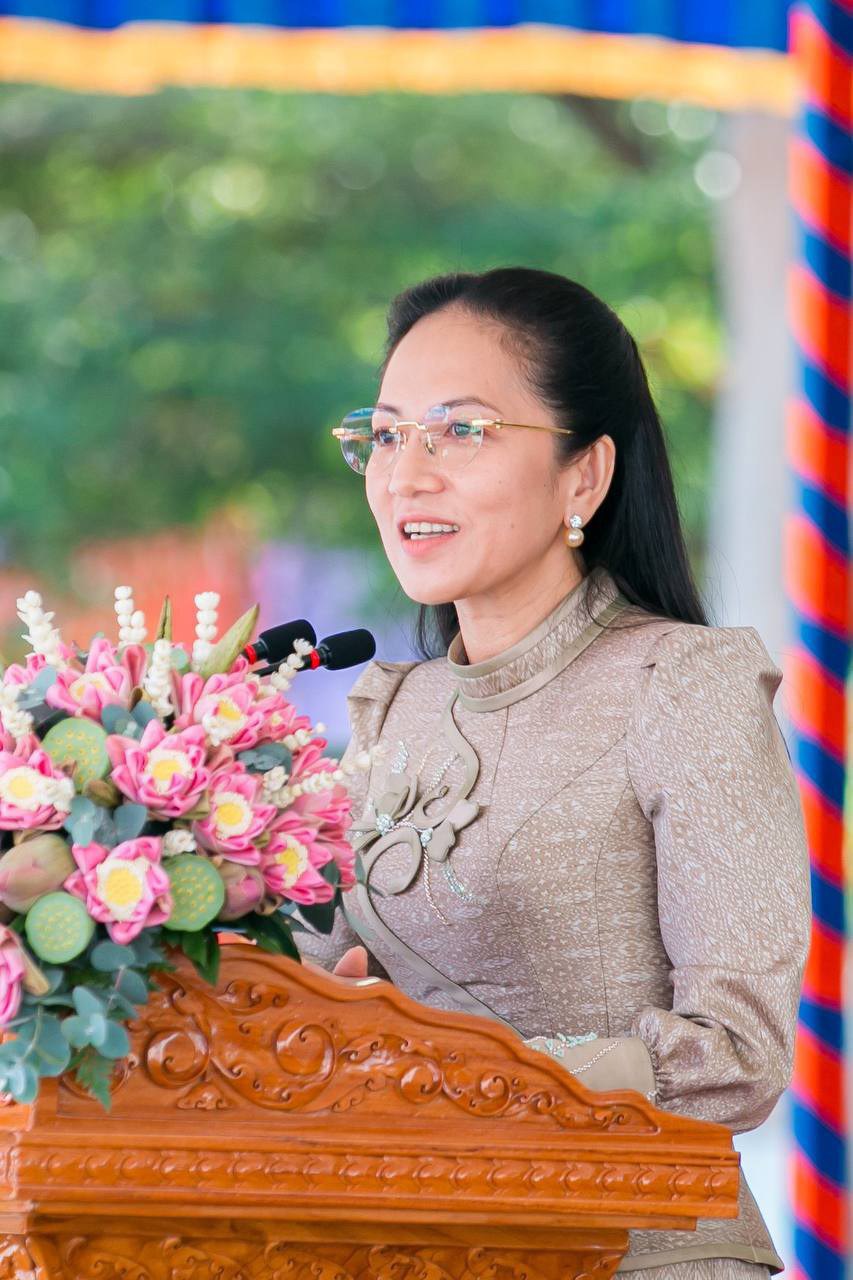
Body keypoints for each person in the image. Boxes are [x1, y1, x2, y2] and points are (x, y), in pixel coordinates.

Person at [300, 266, 811, 1277]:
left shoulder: (681, 683)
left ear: (584, 475)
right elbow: (304, 996)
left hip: (639, 1250)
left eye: (460, 430)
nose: (406, 476)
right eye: (387, 436)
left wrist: (442, 1080)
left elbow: (739, 1054)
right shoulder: (389, 712)